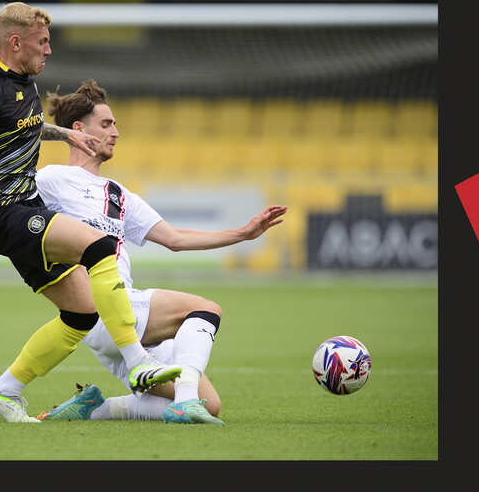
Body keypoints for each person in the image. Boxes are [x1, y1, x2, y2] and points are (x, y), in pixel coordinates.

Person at [0, 2, 181, 424]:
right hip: (1, 210)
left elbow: (27, 125)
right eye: (43, 43)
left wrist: (67, 136)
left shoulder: (26, 86)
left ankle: (3, 391)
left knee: (82, 313)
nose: (49, 50)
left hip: (24, 208)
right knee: (99, 247)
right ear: (15, 42)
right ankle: (137, 362)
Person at [27, 79, 287, 424]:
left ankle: (92, 410)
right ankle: (183, 403)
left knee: (210, 405)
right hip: (102, 307)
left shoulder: (118, 193)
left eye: (115, 124)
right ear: (78, 130)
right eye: (106, 124)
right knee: (204, 309)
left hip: (126, 319)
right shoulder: (52, 179)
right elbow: (15, 214)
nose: (116, 132)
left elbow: (175, 238)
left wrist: (242, 234)